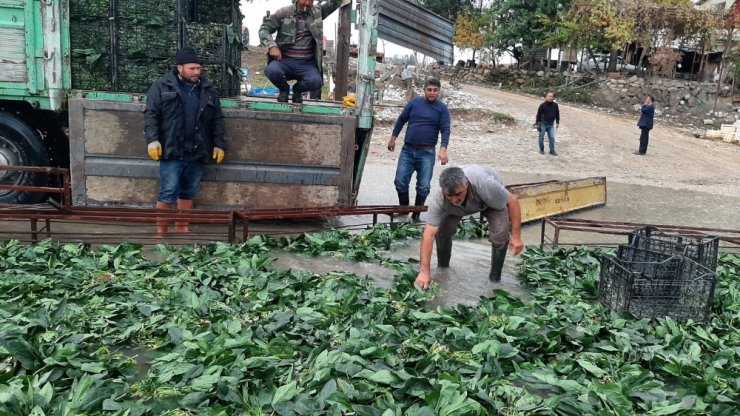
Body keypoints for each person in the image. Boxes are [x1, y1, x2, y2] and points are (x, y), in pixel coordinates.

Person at [144, 46, 226, 236]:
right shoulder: (161, 86)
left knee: (189, 190)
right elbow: (151, 115)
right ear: (179, 67)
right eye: (192, 68)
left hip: (198, 149)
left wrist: (219, 144)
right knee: (168, 190)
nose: (196, 72)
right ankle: (161, 230)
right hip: (173, 148)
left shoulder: (208, 90)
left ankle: (182, 226)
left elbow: (217, 120)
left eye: (198, 68)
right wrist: (153, 140)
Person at [414, 166, 524, 290]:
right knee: (442, 231)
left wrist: (516, 236)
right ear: (443, 190)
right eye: (449, 195)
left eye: (458, 194)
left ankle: (494, 280)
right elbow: (428, 235)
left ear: (466, 184)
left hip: (490, 201)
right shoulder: (438, 198)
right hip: (455, 210)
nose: (454, 199)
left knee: (500, 235)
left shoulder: (486, 185)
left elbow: (513, 202)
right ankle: (443, 268)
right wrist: (424, 271)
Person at [387, 78, 451, 221]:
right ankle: (404, 210)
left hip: (427, 153)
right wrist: (393, 138)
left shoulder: (442, 109)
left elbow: (445, 130)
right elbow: (401, 119)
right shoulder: (414, 103)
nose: (432, 93)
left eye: (435, 90)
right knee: (400, 182)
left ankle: (416, 215)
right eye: (429, 90)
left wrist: (443, 149)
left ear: (439, 91)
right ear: (424, 90)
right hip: (407, 150)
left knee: (423, 187)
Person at [259, 0, 343, 103]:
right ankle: (284, 90)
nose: (307, 3)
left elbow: (335, 2)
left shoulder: (318, 12)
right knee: (272, 70)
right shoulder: (283, 12)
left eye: (310, 0)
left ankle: (297, 91)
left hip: (306, 64)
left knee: (315, 81)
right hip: (284, 60)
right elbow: (264, 29)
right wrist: (272, 46)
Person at [533, 91, 560, 156]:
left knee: (552, 137)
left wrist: (557, 122)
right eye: (549, 96)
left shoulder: (555, 105)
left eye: (552, 96)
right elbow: (538, 115)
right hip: (543, 124)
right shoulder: (542, 105)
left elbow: (557, 113)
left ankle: (552, 150)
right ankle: (542, 149)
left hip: (551, 124)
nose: (551, 98)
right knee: (541, 137)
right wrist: (536, 123)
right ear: (546, 97)